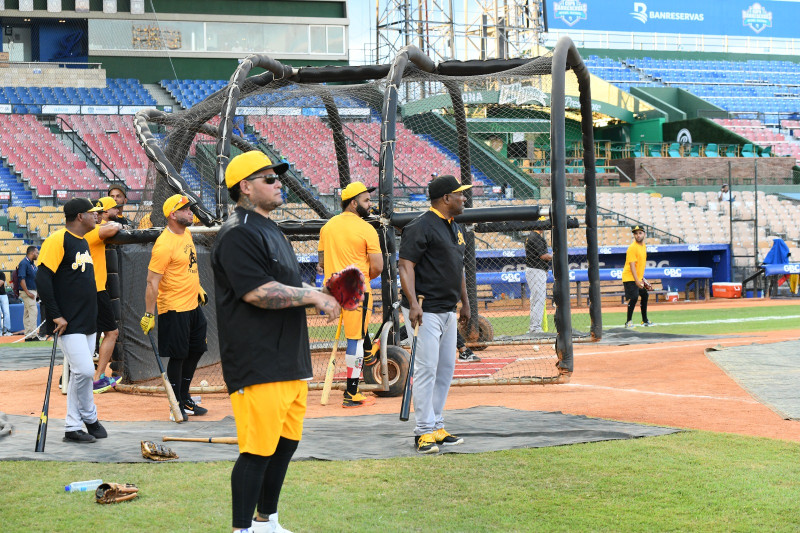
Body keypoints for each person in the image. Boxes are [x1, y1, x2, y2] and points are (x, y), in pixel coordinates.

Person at [211, 151, 340, 532]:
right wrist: (313, 297)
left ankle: (266, 521)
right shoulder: (238, 232)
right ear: (245, 188)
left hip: (288, 358)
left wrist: (320, 293)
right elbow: (257, 292)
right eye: (268, 178)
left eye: (277, 176)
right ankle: (242, 529)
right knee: (257, 450)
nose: (278, 182)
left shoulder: (271, 229)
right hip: (258, 361)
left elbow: (286, 284)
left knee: (284, 446)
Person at [398, 174, 471, 454]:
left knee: (445, 370)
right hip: (424, 308)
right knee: (426, 370)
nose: (464, 198)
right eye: (460, 194)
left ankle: (437, 424)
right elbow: (406, 266)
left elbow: (457, 267)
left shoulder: (453, 226)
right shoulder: (420, 226)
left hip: (448, 308)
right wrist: (413, 304)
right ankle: (423, 431)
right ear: (446, 198)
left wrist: (464, 301)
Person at [36, 198, 107, 443]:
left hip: (87, 320)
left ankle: (75, 425)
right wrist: (54, 314)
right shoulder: (58, 240)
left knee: (81, 373)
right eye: (92, 213)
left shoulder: (84, 242)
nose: (96, 217)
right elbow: (43, 278)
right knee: (85, 370)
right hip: (67, 321)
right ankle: (87, 418)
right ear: (79, 216)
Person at [140, 194, 209, 421]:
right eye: (185, 209)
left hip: (192, 305)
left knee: (197, 349)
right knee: (178, 356)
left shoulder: (186, 233)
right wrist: (150, 314)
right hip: (174, 308)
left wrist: (198, 287)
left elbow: (188, 267)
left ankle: (184, 396)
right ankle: (175, 405)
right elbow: (152, 282)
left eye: (190, 208)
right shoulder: (163, 245)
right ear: (173, 215)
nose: (190, 212)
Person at [318, 181, 383, 408]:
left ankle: (368, 353)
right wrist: (366, 278)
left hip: (334, 291)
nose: (370, 204)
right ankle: (352, 393)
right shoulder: (367, 228)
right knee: (353, 340)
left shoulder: (327, 227)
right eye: (366, 200)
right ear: (353, 203)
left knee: (357, 333)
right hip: (358, 291)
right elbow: (378, 267)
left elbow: (321, 262)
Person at [84, 196, 123, 393]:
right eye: (96, 213)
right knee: (110, 333)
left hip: (90, 292)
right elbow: (112, 229)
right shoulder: (91, 232)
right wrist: (113, 222)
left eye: (100, 213)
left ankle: (86, 378)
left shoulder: (83, 233)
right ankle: (97, 378)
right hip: (97, 291)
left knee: (90, 336)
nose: (99, 217)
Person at [524, 218, 552, 334]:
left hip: (534, 270)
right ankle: (535, 328)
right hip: (536, 270)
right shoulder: (535, 237)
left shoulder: (532, 236)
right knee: (538, 299)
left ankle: (534, 327)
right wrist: (555, 255)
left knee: (536, 299)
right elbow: (543, 256)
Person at [622, 225, 653, 328]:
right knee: (634, 297)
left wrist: (642, 279)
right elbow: (632, 266)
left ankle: (644, 320)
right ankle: (628, 322)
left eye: (640, 233)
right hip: (629, 277)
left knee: (645, 295)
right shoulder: (632, 248)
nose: (638, 235)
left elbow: (640, 266)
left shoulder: (643, 246)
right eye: (635, 233)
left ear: (644, 234)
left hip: (637, 278)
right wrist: (637, 280)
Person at [18, 245, 41, 340]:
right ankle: (33, 335)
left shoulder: (31, 264)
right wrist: (27, 292)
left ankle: (28, 335)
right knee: (33, 312)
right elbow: (21, 278)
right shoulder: (24, 263)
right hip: (28, 292)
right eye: (36, 252)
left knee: (27, 313)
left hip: (32, 291)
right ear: (32, 253)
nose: (37, 254)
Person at [0, 271, 10, 335]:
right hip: (3, 295)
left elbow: (0, 283)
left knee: (6, 313)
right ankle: (0, 331)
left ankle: (6, 330)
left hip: (3, 295)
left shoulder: (1, 273)